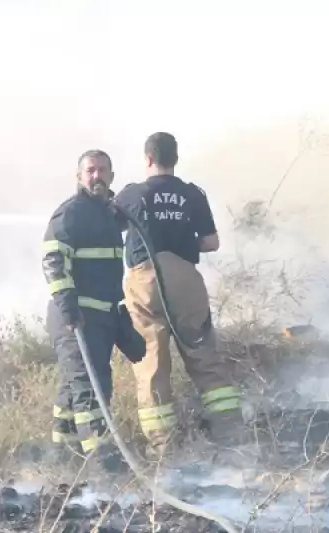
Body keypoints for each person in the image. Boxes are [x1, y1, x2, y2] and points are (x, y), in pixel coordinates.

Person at [113, 132, 243, 456]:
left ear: (147, 159)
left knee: (151, 362)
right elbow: (212, 242)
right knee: (204, 356)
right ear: (175, 159)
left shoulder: (132, 194)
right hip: (186, 278)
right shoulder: (192, 194)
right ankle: (230, 433)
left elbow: (109, 230)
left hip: (145, 281)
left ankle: (163, 446)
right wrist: (184, 243)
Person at [41, 149, 145, 469]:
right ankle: (104, 469)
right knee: (91, 390)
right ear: (79, 177)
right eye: (90, 171)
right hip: (77, 319)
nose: (96, 176)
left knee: (72, 391)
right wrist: (68, 305)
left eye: (102, 170)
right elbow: (53, 259)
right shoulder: (71, 212)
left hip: (101, 318)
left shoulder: (108, 215)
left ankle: (62, 461)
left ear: (112, 176)